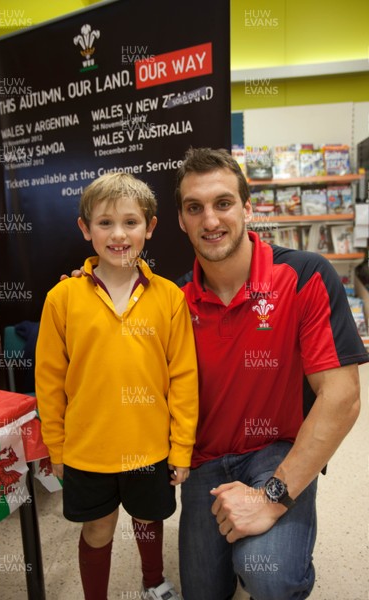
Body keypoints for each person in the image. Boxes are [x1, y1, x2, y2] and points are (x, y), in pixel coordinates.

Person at [174, 147, 368, 600]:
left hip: (277, 450)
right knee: (203, 593)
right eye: (194, 208)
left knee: (270, 575)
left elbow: (342, 397)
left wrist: (272, 497)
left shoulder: (304, 275)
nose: (210, 220)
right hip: (205, 459)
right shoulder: (172, 302)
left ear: (248, 207)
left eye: (223, 203)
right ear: (181, 221)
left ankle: (283, 543)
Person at [35, 172, 199, 600]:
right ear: (85, 229)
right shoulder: (63, 298)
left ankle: (153, 582)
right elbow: (49, 380)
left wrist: (181, 448)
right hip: (88, 449)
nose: (119, 234)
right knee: (98, 528)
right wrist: (57, 448)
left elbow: (183, 377)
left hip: (150, 446)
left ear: (151, 226)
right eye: (105, 223)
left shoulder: (170, 298)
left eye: (131, 222)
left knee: (148, 521)